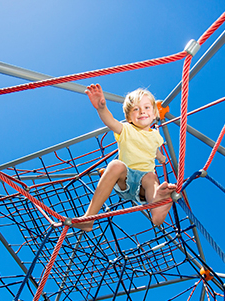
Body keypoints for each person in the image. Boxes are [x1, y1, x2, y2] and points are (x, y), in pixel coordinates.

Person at [73, 83, 176, 232]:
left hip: (143, 185)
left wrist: (161, 158)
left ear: (154, 114)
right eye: (136, 109)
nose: (142, 112)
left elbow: (155, 149)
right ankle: (88, 218)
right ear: (129, 117)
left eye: (147, 108)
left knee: (151, 177)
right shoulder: (126, 129)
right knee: (115, 165)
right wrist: (101, 109)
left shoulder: (156, 136)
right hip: (125, 179)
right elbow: (111, 122)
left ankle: (157, 207)